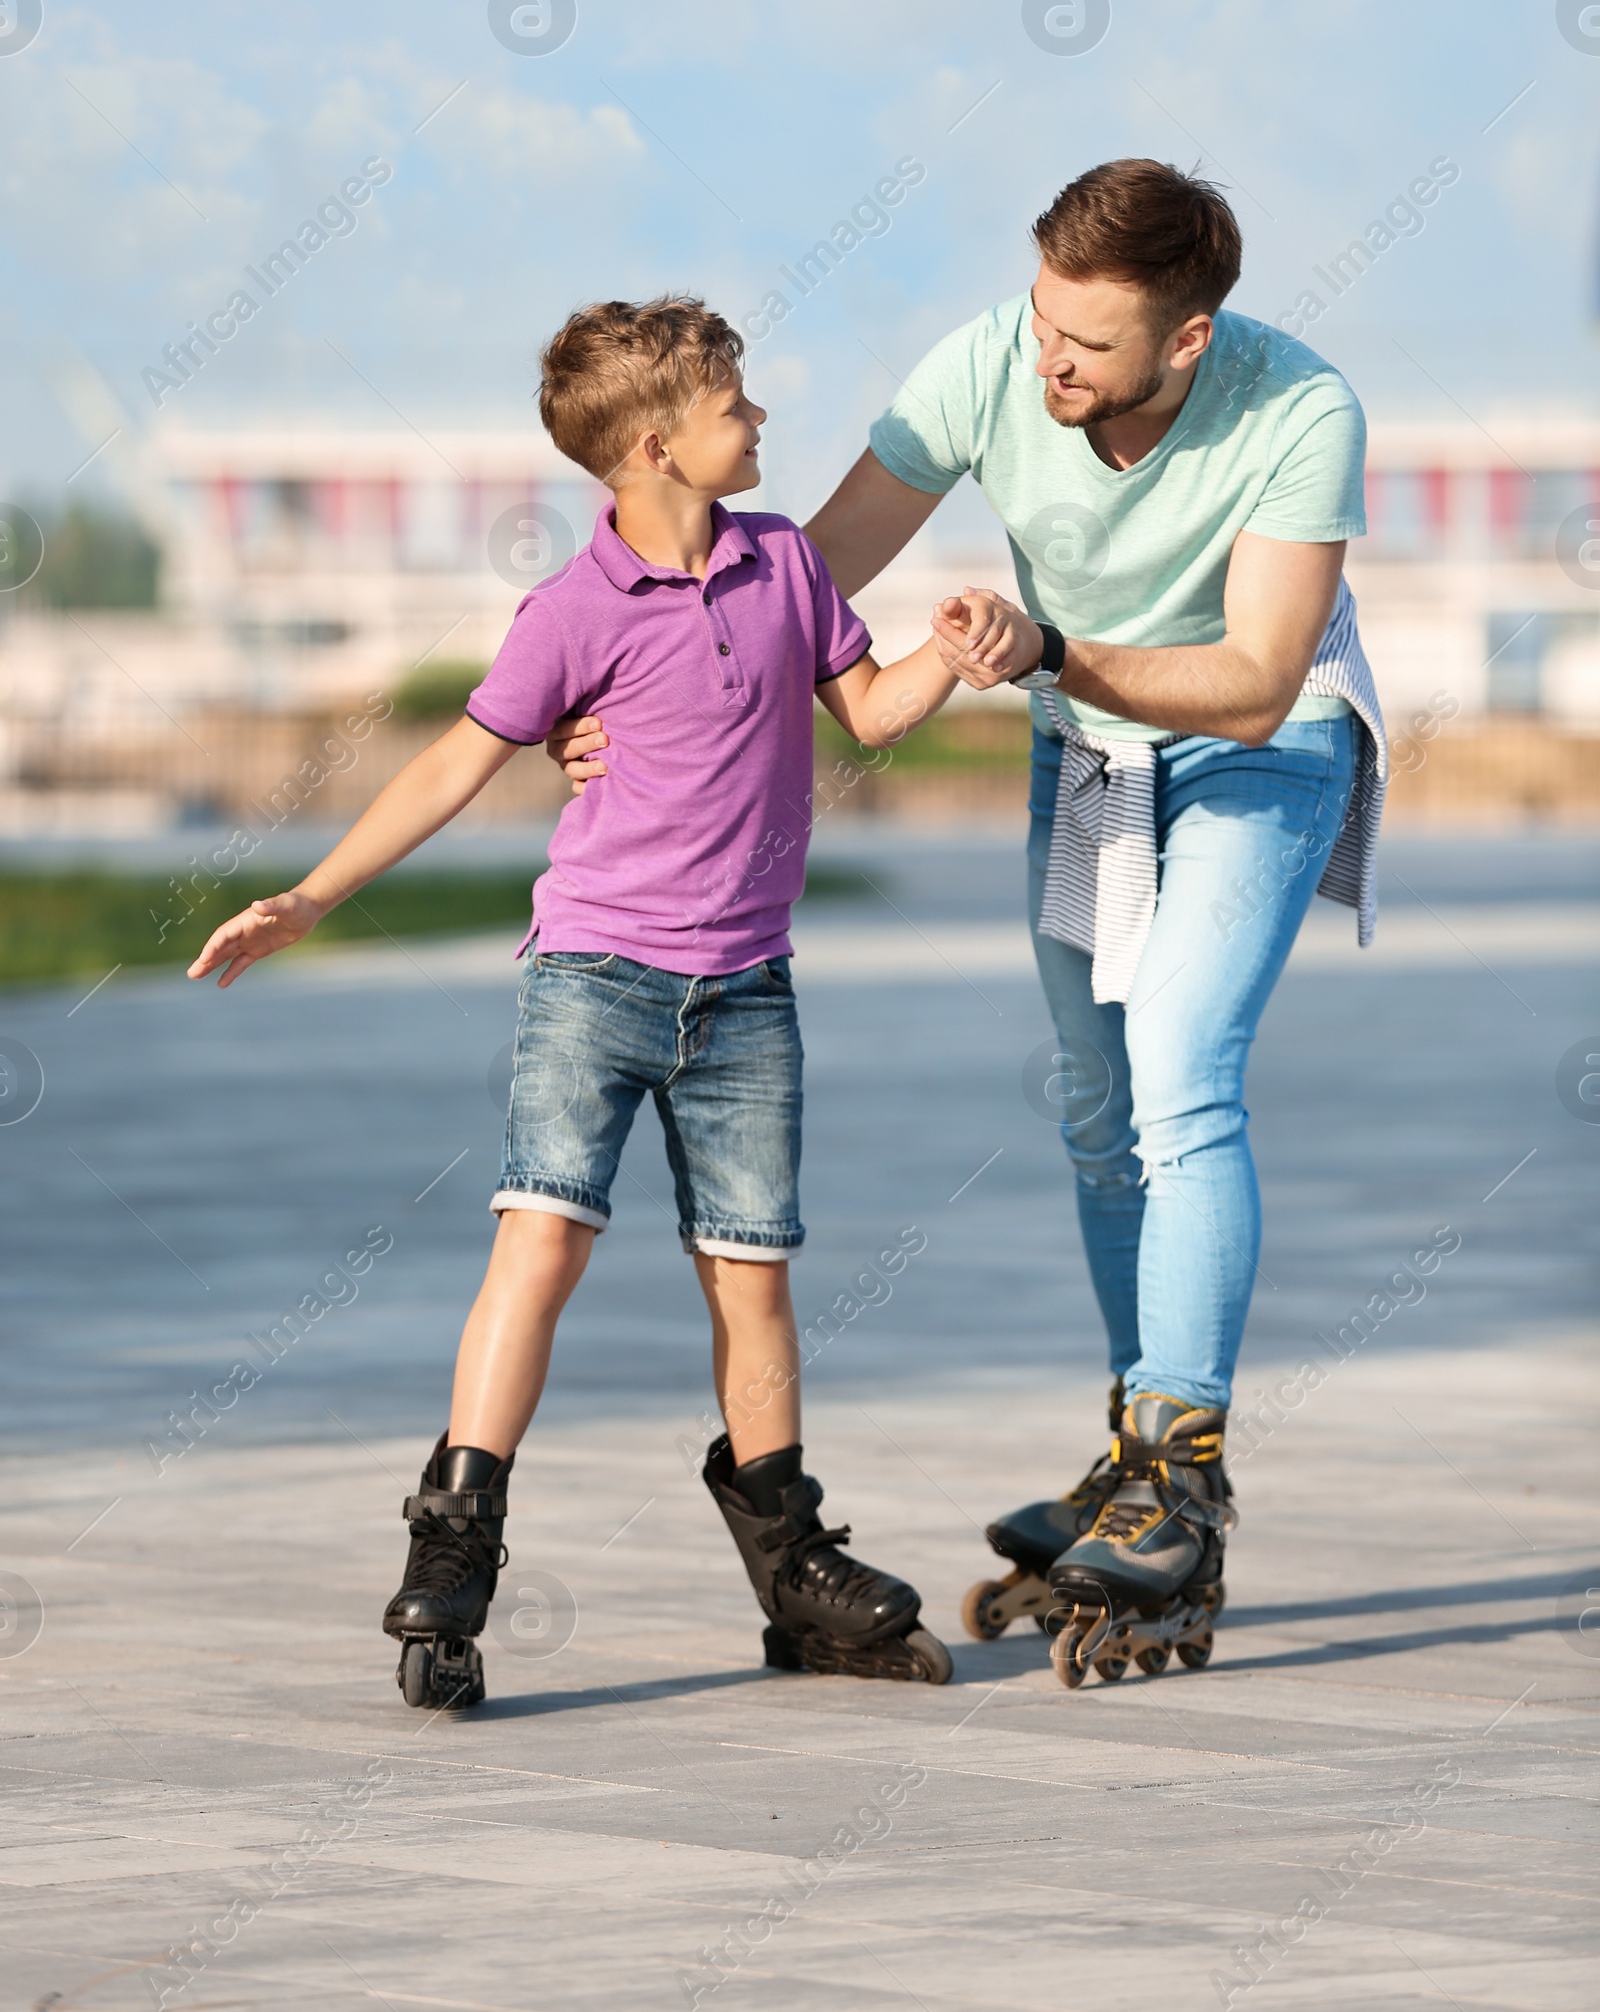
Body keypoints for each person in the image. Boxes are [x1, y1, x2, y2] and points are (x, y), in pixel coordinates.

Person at [548, 162, 1387, 1687]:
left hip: (1265, 747)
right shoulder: (992, 360)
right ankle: (1131, 1447)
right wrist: (618, 698)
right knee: (1094, 1106)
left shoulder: (1299, 409)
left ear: (1188, 343)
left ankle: (1178, 1473)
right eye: (1044, 322)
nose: (1048, 362)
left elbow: (1259, 680)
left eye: (1089, 345)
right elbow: (789, 579)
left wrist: (1053, 642)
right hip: (1089, 754)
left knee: (1185, 1068)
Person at [187, 295, 968, 1708]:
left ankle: (793, 1567)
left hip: (748, 993)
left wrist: (969, 649)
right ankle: (453, 1551)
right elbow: (452, 763)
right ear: (661, 445)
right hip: (592, 980)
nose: (763, 419)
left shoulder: (785, 566)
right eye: (738, 404)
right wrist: (309, 898)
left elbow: (876, 715)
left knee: (753, 1274)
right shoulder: (570, 612)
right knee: (536, 1251)